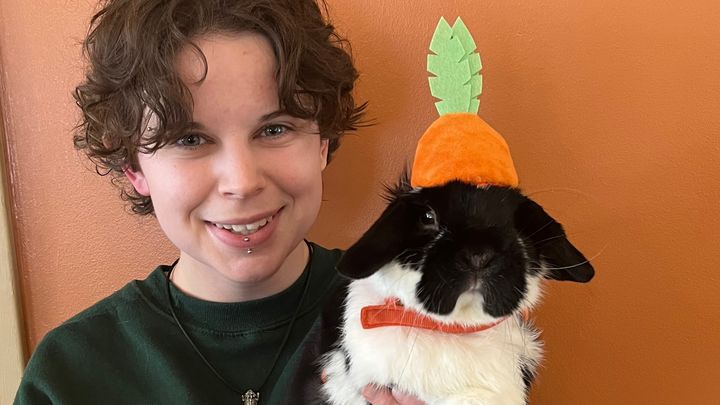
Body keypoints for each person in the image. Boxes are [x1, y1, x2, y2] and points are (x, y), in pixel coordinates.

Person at [14, 0, 422, 404]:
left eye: (275, 129)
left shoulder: (420, 317)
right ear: (133, 168)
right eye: (190, 139)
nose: (242, 183)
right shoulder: (69, 374)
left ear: (322, 142)